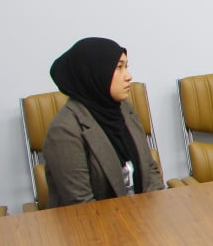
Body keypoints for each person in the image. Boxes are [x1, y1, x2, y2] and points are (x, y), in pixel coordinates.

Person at [43, 37, 163, 208]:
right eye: (118, 67)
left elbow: (150, 170)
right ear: (94, 72)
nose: (128, 76)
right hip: (93, 222)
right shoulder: (64, 130)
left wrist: (156, 210)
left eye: (126, 67)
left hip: (140, 215)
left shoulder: (124, 110)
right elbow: (82, 205)